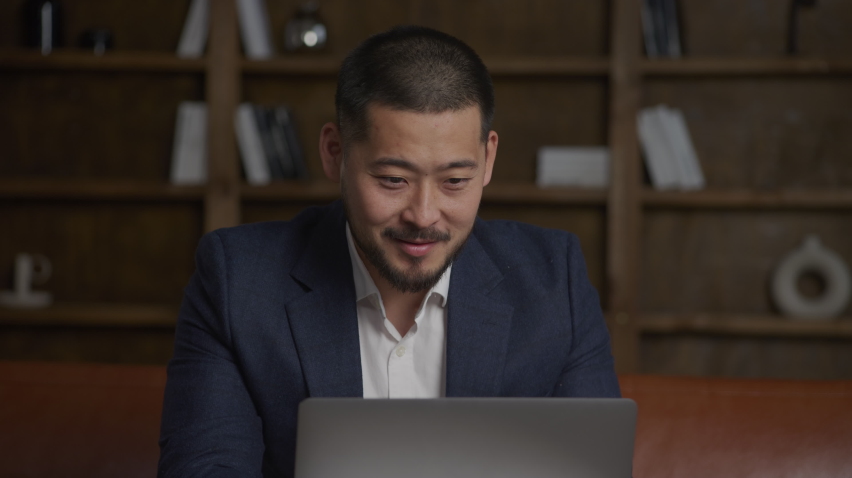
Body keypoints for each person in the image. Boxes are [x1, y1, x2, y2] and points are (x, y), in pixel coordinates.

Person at [158, 25, 619, 477]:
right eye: (393, 180)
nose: (423, 215)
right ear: (335, 152)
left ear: (488, 160)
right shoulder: (237, 281)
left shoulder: (555, 281)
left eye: (455, 181)